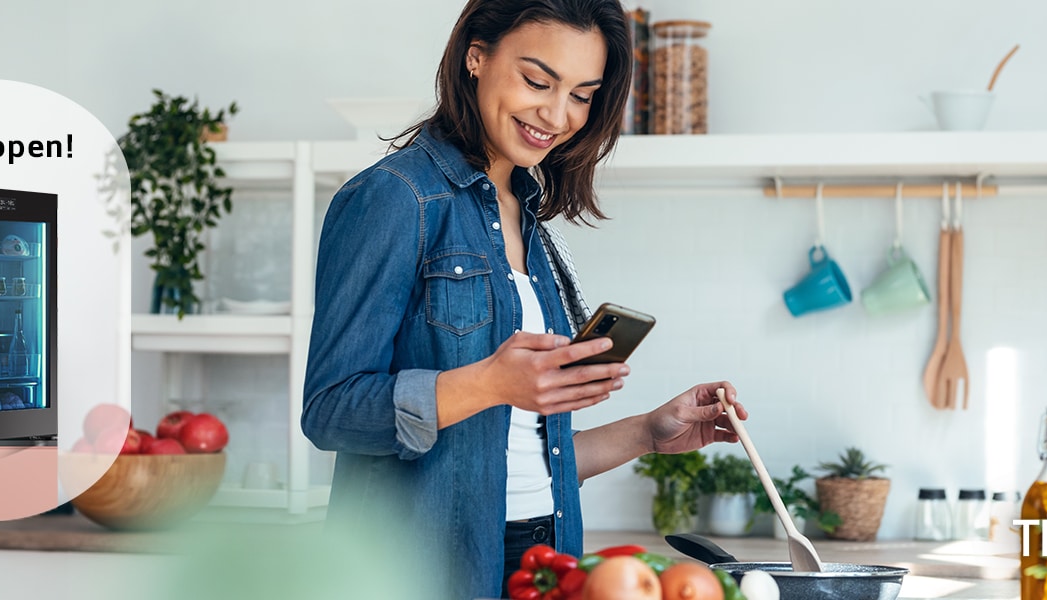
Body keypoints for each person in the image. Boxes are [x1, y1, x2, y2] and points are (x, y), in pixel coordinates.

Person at [302, 0, 748, 597]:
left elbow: (519, 459)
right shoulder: (395, 198)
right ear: (476, 56)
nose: (557, 114)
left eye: (582, 95)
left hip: (546, 561)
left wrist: (648, 431)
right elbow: (329, 410)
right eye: (538, 80)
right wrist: (488, 383)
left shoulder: (530, 219)